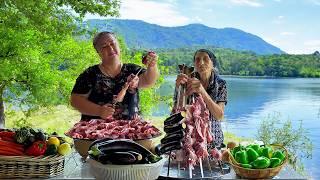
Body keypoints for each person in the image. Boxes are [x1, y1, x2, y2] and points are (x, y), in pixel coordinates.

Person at [70, 31, 159, 121]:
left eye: (113, 43)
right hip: (96, 131)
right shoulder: (89, 74)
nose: (110, 48)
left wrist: (152, 65)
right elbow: (75, 100)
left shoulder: (132, 70)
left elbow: (149, 81)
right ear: (98, 52)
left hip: (131, 130)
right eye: (104, 46)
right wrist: (99, 111)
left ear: (119, 46)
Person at [174, 49, 227, 149]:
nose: (201, 63)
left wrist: (202, 91)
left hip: (213, 140)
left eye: (205, 59)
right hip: (190, 139)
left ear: (213, 64)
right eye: (197, 60)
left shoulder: (220, 84)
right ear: (194, 64)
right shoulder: (187, 80)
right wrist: (179, 89)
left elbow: (219, 115)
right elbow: (177, 113)